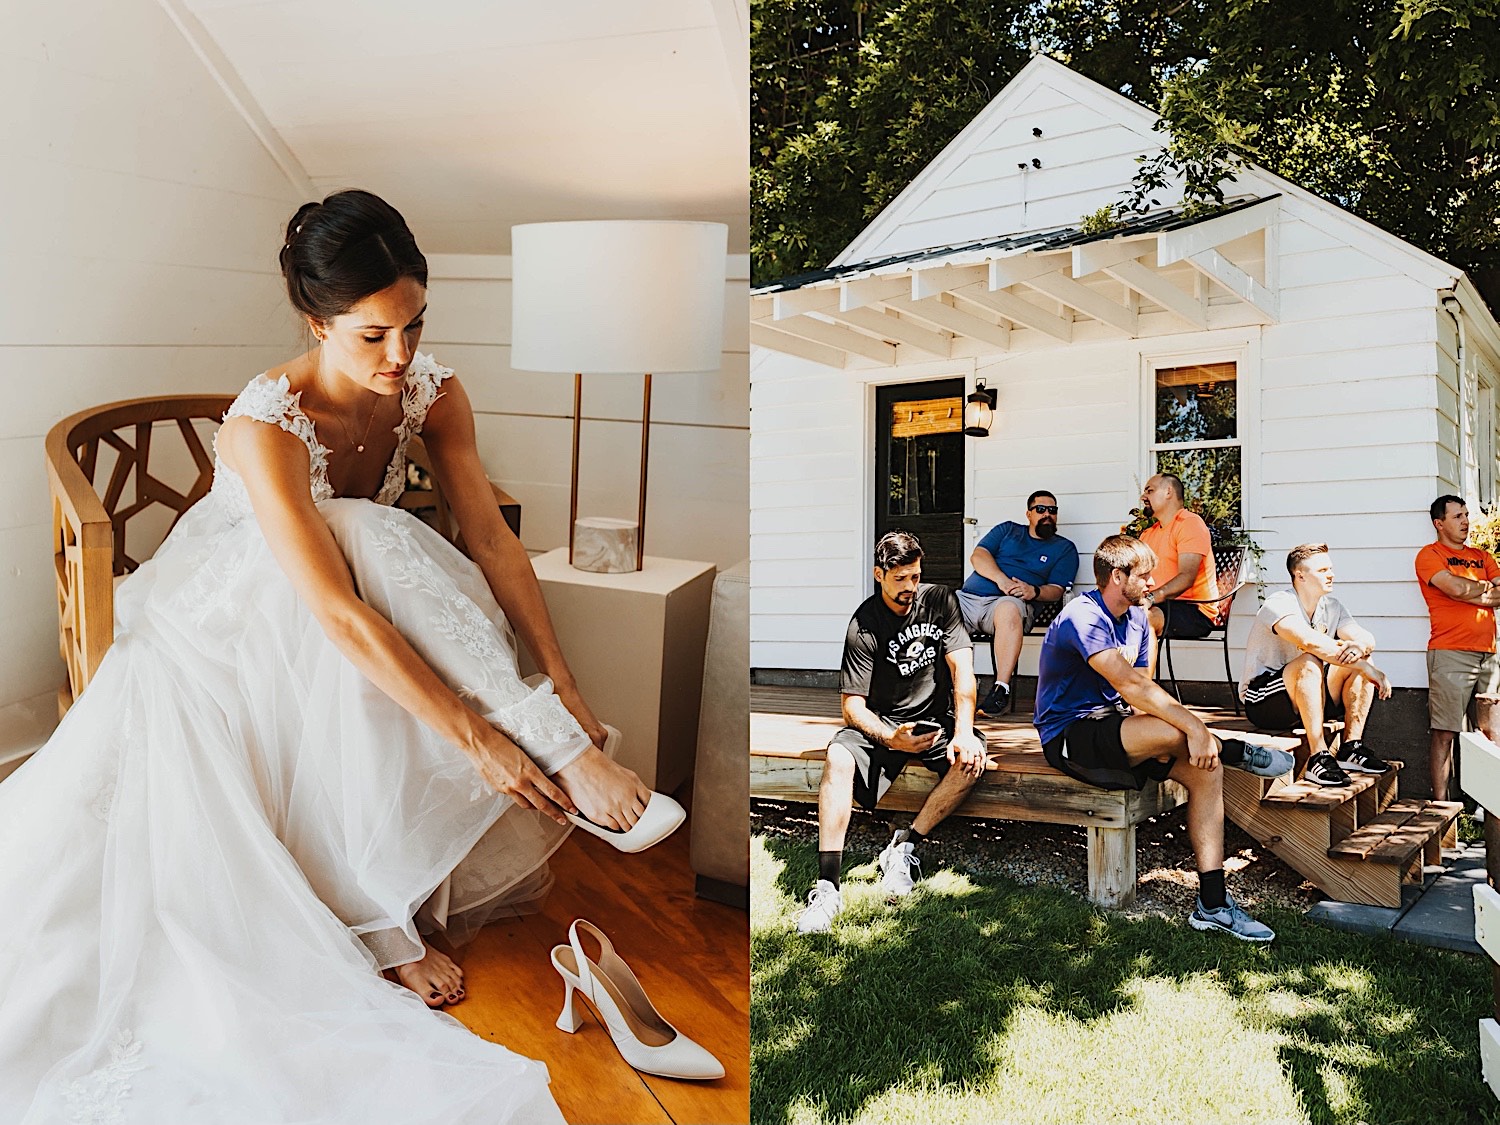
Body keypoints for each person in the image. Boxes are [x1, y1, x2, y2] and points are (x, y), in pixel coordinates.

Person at [0, 191, 678, 1122]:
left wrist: (561, 676)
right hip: (220, 625)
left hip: (344, 598)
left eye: (414, 325)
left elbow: (489, 536)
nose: (400, 357)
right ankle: (380, 915)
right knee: (364, 538)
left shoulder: (433, 392)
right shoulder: (263, 424)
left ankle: (552, 733)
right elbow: (329, 613)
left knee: (382, 541)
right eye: (371, 337)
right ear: (315, 323)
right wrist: (477, 738)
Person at [1035, 535, 1292, 941]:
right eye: (1145, 574)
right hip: (1070, 736)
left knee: (1204, 772)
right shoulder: (1081, 617)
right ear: (1116, 577)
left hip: (1115, 726)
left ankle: (1212, 903)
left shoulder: (1138, 616)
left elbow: (1142, 692)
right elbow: (1130, 685)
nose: (1154, 581)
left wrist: (1185, 737)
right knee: (1182, 732)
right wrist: (1195, 729)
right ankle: (1235, 750)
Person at [796, 531, 988, 934]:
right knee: (838, 755)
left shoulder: (940, 601)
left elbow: (962, 671)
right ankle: (827, 887)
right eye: (900, 579)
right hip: (883, 724)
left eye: (915, 577)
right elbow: (851, 706)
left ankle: (904, 846)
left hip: (935, 722)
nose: (909, 588)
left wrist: (966, 731)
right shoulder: (864, 623)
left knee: (973, 759)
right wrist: (888, 737)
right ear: (878, 575)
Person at [1240, 544, 1393, 785]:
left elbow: (1364, 637)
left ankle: (1351, 748)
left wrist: (1360, 650)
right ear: (1300, 576)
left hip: (1311, 694)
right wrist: (1364, 667)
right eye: (1322, 570)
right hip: (1265, 701)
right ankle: (1318, 757)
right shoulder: (1278, 604)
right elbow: (1308, 641)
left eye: (1330, 568)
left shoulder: (1332, 607)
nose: (1331, 574)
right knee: (1312, 661)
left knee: (1361, 660)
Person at [957, 490, 1079, 714]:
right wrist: (1002, 581)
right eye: (1040, 509)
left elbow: (1057, 590)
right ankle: (934, 687)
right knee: (937, 605)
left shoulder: (1064, 548)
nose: (1047, 515)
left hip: (1009, 606)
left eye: (1052, 510)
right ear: (1028, 514)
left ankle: (1000, 690)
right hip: (968, 600)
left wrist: (1033, 591)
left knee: (1008, 607)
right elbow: (978, 556)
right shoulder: (1007, 530)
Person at [1416, 494, 1500, 800]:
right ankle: (1442, 810)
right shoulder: (1429, 555)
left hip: (1489, 654)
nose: (1466, 521)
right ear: (1439, 523)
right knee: (1445, 732)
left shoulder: (1482, 556)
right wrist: (1485, 588)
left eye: (1466, 515)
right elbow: (1452, 587)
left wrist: (1468, 592)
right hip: (1450, 652)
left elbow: (1464, 591)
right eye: (1457, 517)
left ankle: (1490, 807)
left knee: (1491, 733)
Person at [1137, 473, 1218, 639]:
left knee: (1140, 620)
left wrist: (1150, 599)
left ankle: (1139, 666)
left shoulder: (1190, 523)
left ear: (1168, 492)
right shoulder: (1147, 534)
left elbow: (1186, 577)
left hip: (1195, 611)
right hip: (1159, 604)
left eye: (1149, 491)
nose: (1142, 497)